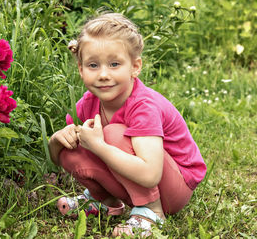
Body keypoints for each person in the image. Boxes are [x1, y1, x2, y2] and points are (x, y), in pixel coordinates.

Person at [48, 13, 207, 237]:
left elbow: (151, 174)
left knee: (112, 133)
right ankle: (105, 202)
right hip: (137, 177)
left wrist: (99, 146)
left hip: (173, 187)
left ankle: (151, 212)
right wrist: (56, 140)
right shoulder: (87, 103)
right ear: (81, 70)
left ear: (135, 66)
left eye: (114, 64)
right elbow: (60, 157)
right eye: (93, 65)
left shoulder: (143, 106)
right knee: (72, 147)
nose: (103, 74)